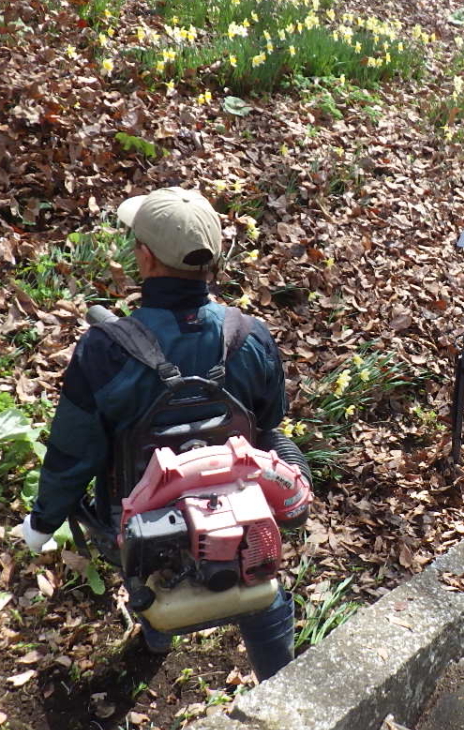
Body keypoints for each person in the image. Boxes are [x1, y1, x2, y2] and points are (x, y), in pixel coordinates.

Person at [17, 187, 307, 680]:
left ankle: (157, 631)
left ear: (145, 257)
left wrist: (43, 521)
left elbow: (74, 451)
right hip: (238, 507)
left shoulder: (104, 351)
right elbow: (269, 422)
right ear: (213, 259)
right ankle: (281, 683)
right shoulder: (250, 336)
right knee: (264, 592)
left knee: (142, 558)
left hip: (138, 518)